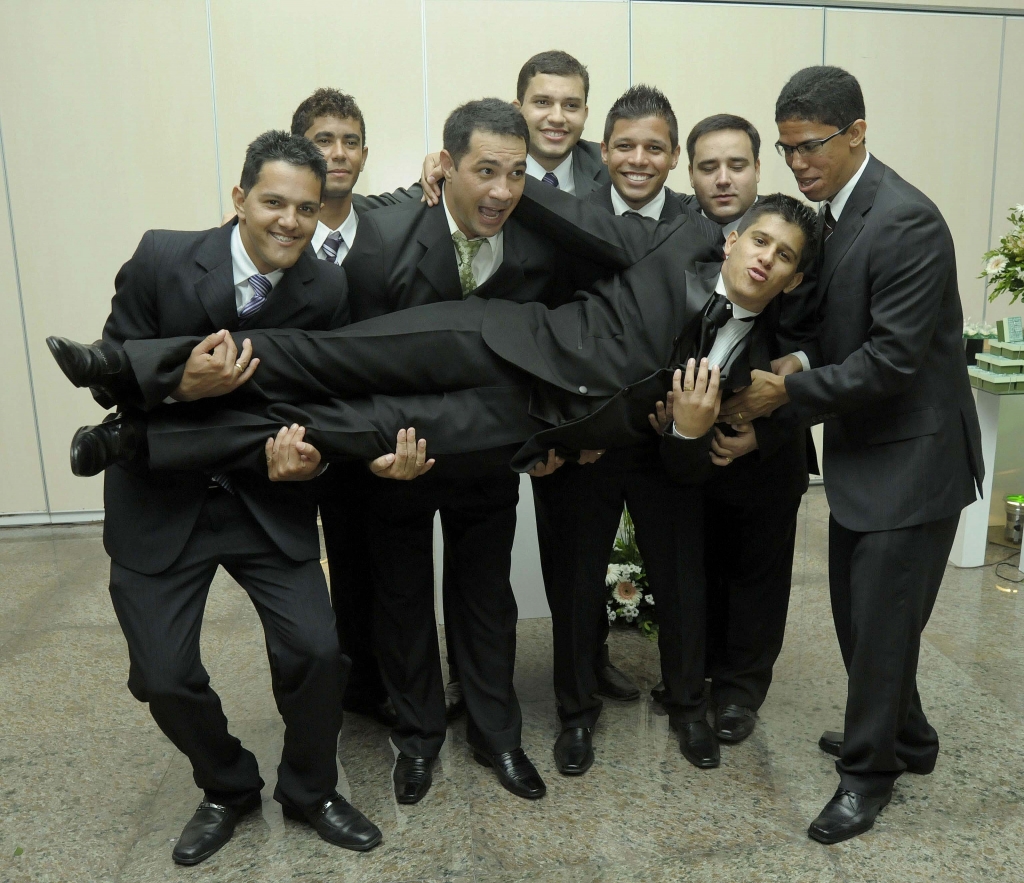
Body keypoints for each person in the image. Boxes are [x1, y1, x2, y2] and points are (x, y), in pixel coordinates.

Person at [50, 183, 817, 768]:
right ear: (732, 236)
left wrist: (687, 428)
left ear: (790, 280)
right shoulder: (677, 240)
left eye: (783, 257)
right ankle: (126, 367)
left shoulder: (749, 371)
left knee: (346, 428)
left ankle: (138, 440)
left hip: (516, 421)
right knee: (325, 361)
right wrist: (470, 175)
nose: (765, 258)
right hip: (493, 340)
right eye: (760, 239)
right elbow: (569, 216)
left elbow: (684, 467)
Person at [49, 131, 391, 866]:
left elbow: (324, 403)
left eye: (306, 209)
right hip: (159, 497)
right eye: (274, 203)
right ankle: (227, 786)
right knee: (162, 677)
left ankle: (310, 790)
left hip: (264, 495)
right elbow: (108, 385)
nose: (290, 222)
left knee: (317, 652)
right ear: (239, 198)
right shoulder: (161, 258)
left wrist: (308, 461)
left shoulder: (326, 289)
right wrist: (178, 384)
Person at [719, 65, 983, 844]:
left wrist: (787, 394)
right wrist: (800, 359)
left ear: (858, 132)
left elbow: (892, 359)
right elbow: (838, 328)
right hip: (867, 455)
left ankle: (868, 774)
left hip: (914, 461)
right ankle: (910, 736)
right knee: (867, 621)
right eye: (787, 148)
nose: (798, 163)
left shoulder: (907, 221)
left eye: (811, 146)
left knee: (877, 624)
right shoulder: (835, 215)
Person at [533, 85, 723, 776]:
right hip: (584, 443)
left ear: (674, 158)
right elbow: (541, 331)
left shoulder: (702, 227)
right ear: (603, 150)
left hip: (666, 438)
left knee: (681, 578)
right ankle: (575, 712)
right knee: (574, 581)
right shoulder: (567, 220)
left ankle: (688, 704)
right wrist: (560, 433)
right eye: (624, 146)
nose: (638, 159)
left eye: (653, 147)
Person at [657, 114, 813, 746]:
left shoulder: (798, 254)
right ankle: (691, 678)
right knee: (694, 570)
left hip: (767, 460)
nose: (723, 178)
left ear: (758, 167)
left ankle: (741, 691)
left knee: (757, 578)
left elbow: (829, 360)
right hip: (687, 453)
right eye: (708, 167)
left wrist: (763, 428)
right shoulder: (672, 240)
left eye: (738, 165)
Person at [288, 87, 401, 730]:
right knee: (296, 569)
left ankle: (371, 681)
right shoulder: (276, 234)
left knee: (370, 561)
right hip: (293, 432)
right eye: (323, 140)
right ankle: (312, 682)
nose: (338, 153)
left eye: (350, 141)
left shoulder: (390, 231)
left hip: (370, 431)